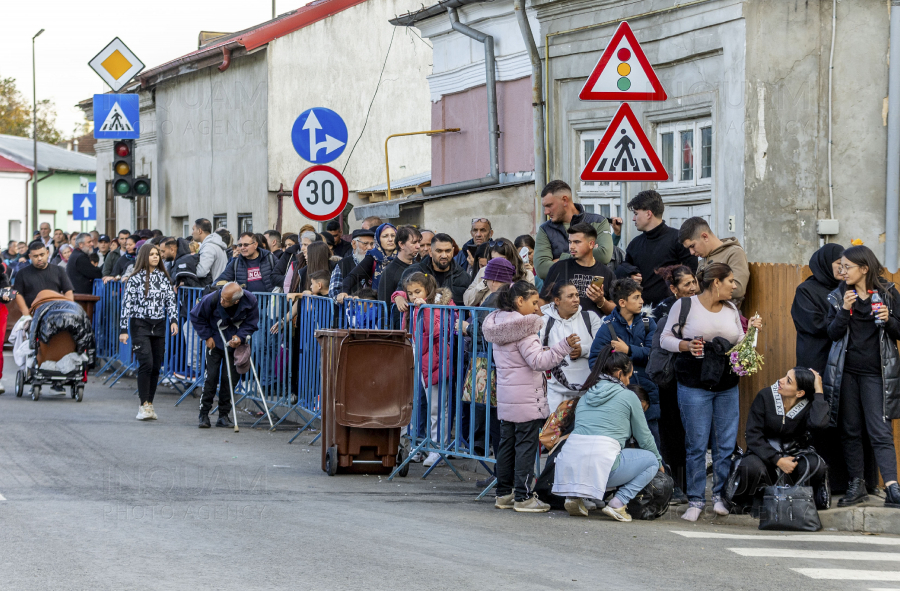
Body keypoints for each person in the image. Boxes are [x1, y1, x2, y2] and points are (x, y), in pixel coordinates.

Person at [660, 262, 761, 521]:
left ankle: (720, 497)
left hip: (727, 385)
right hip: (693, 384)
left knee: (725, 444)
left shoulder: (731, 308)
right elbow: (664, 340)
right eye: (731, 281)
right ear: (716, 282)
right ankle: (695, 500)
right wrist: (685, 345)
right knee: (696, 444)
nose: (735, 286)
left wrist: (753, 334)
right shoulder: (684, 306)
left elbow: (740, 342)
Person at [483, 281, 577, 513]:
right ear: (520, 301)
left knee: (507, 445)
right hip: (526, 398)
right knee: (525, 447)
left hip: (507, 396)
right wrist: (563, 346)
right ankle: (523, 496)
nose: (537, 309)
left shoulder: (499, 325)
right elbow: (538, 362)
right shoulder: (525, 330)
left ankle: (504, 493)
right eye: (534, 303)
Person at [824, 244, 900, 508]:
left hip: (876, 375)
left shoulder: (888, 293)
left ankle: (892, 487)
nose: (842, 272)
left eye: (847, 267)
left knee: (880, 431)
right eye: (841, 267)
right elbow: (832, 334)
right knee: (850, 430)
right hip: (846, 374)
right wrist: (844, 310)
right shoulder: (837, 296)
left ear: (864, 268)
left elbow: (899, 330)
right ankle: (857, 484)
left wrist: (889, 319)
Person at [552, 346, 665, 521]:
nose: (628, 382)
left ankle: (575, 497)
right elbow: (645, 437)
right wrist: (659, 462)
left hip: (569, 467)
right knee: (650, 460)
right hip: (601, 466)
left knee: (595, 455)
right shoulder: (628, 397)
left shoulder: (586, 395)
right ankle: (618, 503)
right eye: (628, 376)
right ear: (619, 374)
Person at [732, 368, 831, 513]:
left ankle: (800, 504)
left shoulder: (809, 404)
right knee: (751, 466)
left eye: (788, 381)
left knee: (816, 465)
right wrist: (777, 460)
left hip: (794, 456)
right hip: (764, 455)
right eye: (785, 375)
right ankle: (754, 501)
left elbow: (818, 423)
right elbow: (753, 435)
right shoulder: (765, 396)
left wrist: (819, 391)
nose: (781, 381)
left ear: (800, 393)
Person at [589, 278, 661, 452]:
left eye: (640, 297)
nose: (642, 301)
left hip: (647, 394)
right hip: (618, 396)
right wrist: (616, 370)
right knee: (620, 446)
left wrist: (627, 350)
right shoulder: (607, 327)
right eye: (636, 297)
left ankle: (657, 478)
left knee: (651, 445)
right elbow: (594, 362)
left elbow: (654, 355)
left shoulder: (647, 323)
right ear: (622, 302)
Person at [394, 272, 457, 467]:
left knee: (438, 407)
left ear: (428, 289)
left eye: (417, 291)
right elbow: (399, 294)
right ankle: (418, 445)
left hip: (436, 359)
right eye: (410, 293)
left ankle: (438, 448)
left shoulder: (441, 304)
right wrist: (398, 296)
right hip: (419, 357)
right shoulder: (414, 303)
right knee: (416, 404)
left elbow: (437, 331)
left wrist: (426, 309)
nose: (413, 296)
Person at [650, 264, 698, 504]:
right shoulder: (664, 311)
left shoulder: (703, 307)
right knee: (673, 435)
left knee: (693, 434)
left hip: (695, 380)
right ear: (674, 289)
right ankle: (678, 485)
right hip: (670, 382)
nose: (692, 287)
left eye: (694, 282)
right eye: (686, 284)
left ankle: (692, 487)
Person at [119, 243, 178, 421]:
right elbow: (126, 305)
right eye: (152, 254)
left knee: (155, 366)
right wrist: (123, 329)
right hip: (140, 325)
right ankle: (143, 404)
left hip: (159, 324)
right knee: (146, 363)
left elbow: (170, 301)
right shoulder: (134, 278)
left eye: (157, 254)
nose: (155, 257)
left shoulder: (163, 277)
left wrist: (173, 320)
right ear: (144, 256)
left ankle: (150, 404)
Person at [190, 282, 260, 428]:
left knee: (229, 379)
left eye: (226, 300)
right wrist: (207, 336)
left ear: (236, 301)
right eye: (222, 298)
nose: (222, 301)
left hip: (234, 341)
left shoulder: (250, 300)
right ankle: (204, 414)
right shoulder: (212, 298)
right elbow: (196, 316)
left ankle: (223, 415)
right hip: (215, 340)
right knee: (211, 377)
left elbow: (251, 324)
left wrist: (240, 337)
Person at [623, 190, 697, 308]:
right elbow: (623, 269)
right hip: (640, 314)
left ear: (648, 214)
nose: (633, 218)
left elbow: (692, 277)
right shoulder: (634, 244)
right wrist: (630, 275)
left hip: (674, 312)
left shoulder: (678, 241)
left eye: (636, 213)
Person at [540, 281, 602, 412]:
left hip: (588, 392)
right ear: (557, 300)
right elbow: (539, 354)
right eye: (570, 296)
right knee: (557, 432)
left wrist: (583, 350)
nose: (576, 300)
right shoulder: (544, 322)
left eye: (577, 295)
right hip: (556, 393)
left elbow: (602, 348)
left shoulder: (590, 318)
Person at [535, 180, 613, 279]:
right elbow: (542, 270)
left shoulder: (598, 222)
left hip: (593, 292)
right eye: (544, 207)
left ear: (564, 200)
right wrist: (587, 254)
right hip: (559, 293)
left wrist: (561, 260)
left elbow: (604, 255)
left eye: (549, 205)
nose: (546, 212)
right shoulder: (545, 229)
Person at [792, 244, 845, 373]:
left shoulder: (846, 289)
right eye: (839, 263)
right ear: (825, 263)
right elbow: (814, 323)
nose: (842, 268)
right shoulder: (806, 290)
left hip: (841, 358)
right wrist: (842, 322)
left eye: (845, 264)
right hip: (816, 358)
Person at [544, 223, 615, 317]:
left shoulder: (606, 273)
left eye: (577, 242)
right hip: (563, 329)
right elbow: (543, 301)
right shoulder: (558, 268)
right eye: (570, 242)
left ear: (591, 244)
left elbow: (617, 311)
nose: (571, 247)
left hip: (594, 329)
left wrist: (601, 301)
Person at [679, 216, 750, 305]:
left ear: (705, 237)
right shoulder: (703, 259)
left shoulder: (734, 253)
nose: (691, 252)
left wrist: (701, 287)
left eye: (692, 246)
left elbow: (738, 289)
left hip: (726, 315)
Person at [396, 233, 471, 311]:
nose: (444, 255)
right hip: (418, 322)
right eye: (439, 251)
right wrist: (398, 297)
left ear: (452, 251)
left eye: (447, 251)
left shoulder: (464, 277)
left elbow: (469, 310)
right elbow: (400, 295)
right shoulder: (412, 271)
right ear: (430, 252)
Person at [464, 238, 533, 307]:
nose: (497, 264)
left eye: (502, 260)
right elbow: (467, 301)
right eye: (494, 259)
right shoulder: (484, 271)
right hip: (487, 316)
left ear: (511, 259)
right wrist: (485, 282)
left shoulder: (525, 274)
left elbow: (530, 302)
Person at [14, 241, 74, 315]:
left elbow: (68, 291)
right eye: (35, 256)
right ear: (30, 256)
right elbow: (17, 294)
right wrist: (25, 312)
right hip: (32, 314)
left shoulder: (59, 270)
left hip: (56, 313)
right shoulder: (22, 273)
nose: (39, 258)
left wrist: (69, 309)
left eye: (42, 255)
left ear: (47, 253)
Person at [216, 232, 283, 293]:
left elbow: (283, 276)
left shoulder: (269, 258)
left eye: (246, 245)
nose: (242, 248)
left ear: (255, 245)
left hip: (268, 304)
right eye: (240, 245)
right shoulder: (236, 263)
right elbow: (220, 281)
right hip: (246, 304)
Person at [342, 223, 397, 295]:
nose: (390, 239)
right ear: (378, 239)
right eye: (385, 236)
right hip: (378, 303)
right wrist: (343, 292)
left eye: (393, 236)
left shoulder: (403, 256)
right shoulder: (372, 257)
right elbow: (353, 276)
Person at [378, 226, 421, 306]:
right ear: (401, 244)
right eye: (414, 242)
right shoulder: (390, 271)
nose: (418, 246)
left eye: (419, 242)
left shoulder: (419, 267)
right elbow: (383, 305)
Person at [334, 229, 376, 301]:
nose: (369, 248)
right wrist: (348, 300)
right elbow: (334, 293)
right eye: (365, 244)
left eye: (372, 244)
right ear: (354, 244)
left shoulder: (376, 263)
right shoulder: (343, 264)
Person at [192, 218, 228, 285]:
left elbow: (201, 272)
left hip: (213, 290)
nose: (192, 233)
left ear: (200, 231)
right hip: (218, 287)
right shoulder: (215, 244)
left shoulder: (209, 247)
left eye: (193, 229)